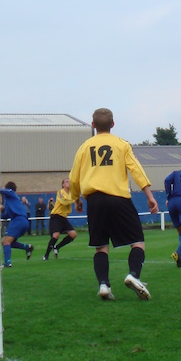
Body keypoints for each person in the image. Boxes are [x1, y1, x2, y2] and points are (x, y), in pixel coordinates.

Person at [68, 108, 159, 301]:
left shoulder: (84, 147)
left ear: (93, 125)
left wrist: (76, 199)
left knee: (101, 247)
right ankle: (133, 275)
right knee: (137, 241)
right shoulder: (121, 144)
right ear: (113, 124)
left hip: (94, 200)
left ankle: (104, 285)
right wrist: (149, 196)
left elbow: (74, 178)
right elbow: (136, 170)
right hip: (119, 198)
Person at [42, 178, 81, 260]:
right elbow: (64, 202)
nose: (68, 183)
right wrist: (74, 199)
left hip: (63, 217)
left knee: (73, 234)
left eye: (69, 181)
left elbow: (70, 203)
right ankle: (46, 255)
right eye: (66, 181)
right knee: (56, 235)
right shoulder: (60, 192)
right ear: (63, 185)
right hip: (56, 216)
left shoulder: (71, 194)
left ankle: (57, 247)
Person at [0, 182, 34, 267]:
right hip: (22, 221)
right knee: (7, 242)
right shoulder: (10, 201)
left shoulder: (11, 193)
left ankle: (8, 263)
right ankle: (27, 247)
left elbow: (2, 190)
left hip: (18, 220)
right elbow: (6, 216)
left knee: (6, 241)